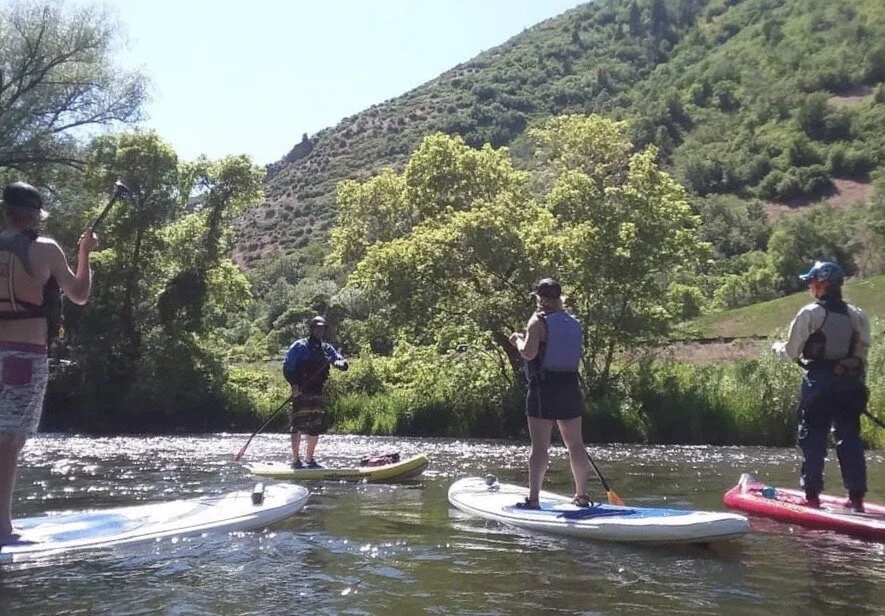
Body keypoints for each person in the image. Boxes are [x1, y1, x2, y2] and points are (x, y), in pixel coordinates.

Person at [0, 182, 98, 544]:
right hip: (24, 355)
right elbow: (79, 294)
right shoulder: (45, 249)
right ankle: (3, 529)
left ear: (7, 211)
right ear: (36, 215)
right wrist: (85, 253)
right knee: (11, 438)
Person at [772, 261, 871, 512]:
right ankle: (856, 499)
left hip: (819, 384)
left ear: (823, 284)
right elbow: (861, 359)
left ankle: (812, 497)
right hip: (850, 386)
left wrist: (777, 349)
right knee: (849, 437)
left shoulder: (810, 313)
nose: (809, 286)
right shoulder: (857, 316)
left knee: (813, 436)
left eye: (812, 281)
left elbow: (792, 352)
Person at [509, 277, 591, 508]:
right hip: (570, 386)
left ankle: (533, 498)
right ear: (559, 298)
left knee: (540, 446)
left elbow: (528, 353)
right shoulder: (574, 322)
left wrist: (518, 340)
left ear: (539, 298)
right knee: (575, 444)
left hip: (544, 387)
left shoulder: (537, 321)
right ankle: (582, 496)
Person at [282, 315, 348, 469]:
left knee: (315, 426)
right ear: (311, 329)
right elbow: (287, 367)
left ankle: (310, 460)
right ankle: (295, 460)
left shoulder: (326, 348)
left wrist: (341, 363)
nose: (320, 330)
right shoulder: (300, 346)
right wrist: (294, 385)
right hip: (301, 391)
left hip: (317, 391)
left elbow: (337, 358)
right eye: (317, 327)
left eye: (322, 328)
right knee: (298, 425)